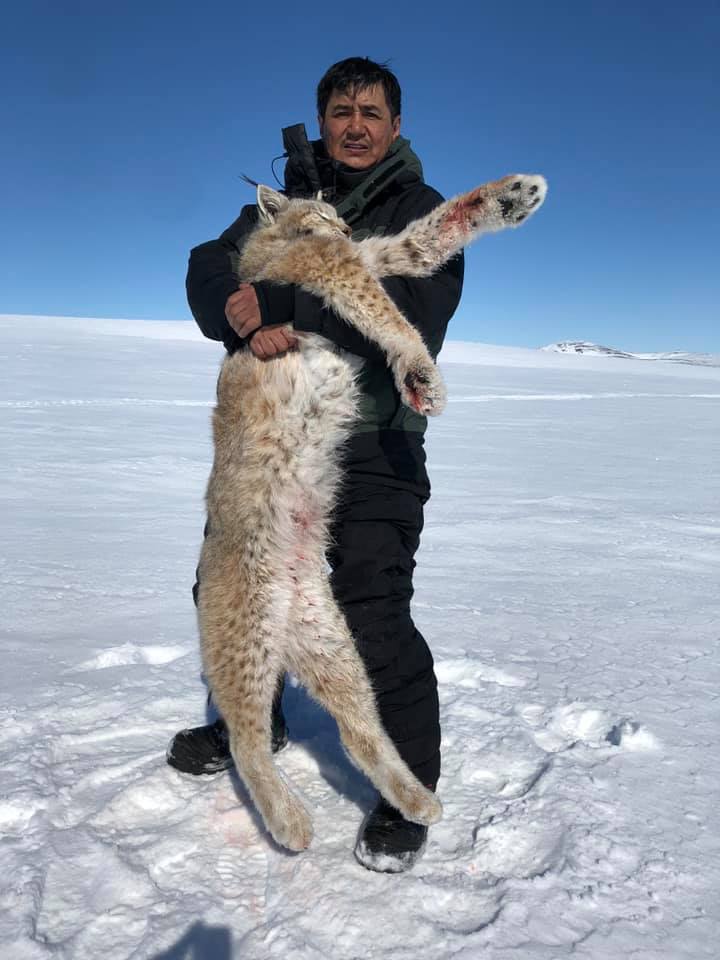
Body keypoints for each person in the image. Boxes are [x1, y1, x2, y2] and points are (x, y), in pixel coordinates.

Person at [167, 57, 464, 873]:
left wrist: (284, 304)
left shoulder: (418, 209)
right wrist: (236, 316)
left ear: (396, 125)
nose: (356, 124)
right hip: (272, 440)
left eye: (372, 111)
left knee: (369, 610)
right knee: (224, 586)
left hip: (374, 443)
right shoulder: (291, 200)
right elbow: (210, 262)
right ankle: (250, 722)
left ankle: (406, 786)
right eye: (342, 111)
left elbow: (416, 319)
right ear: (323, 119)